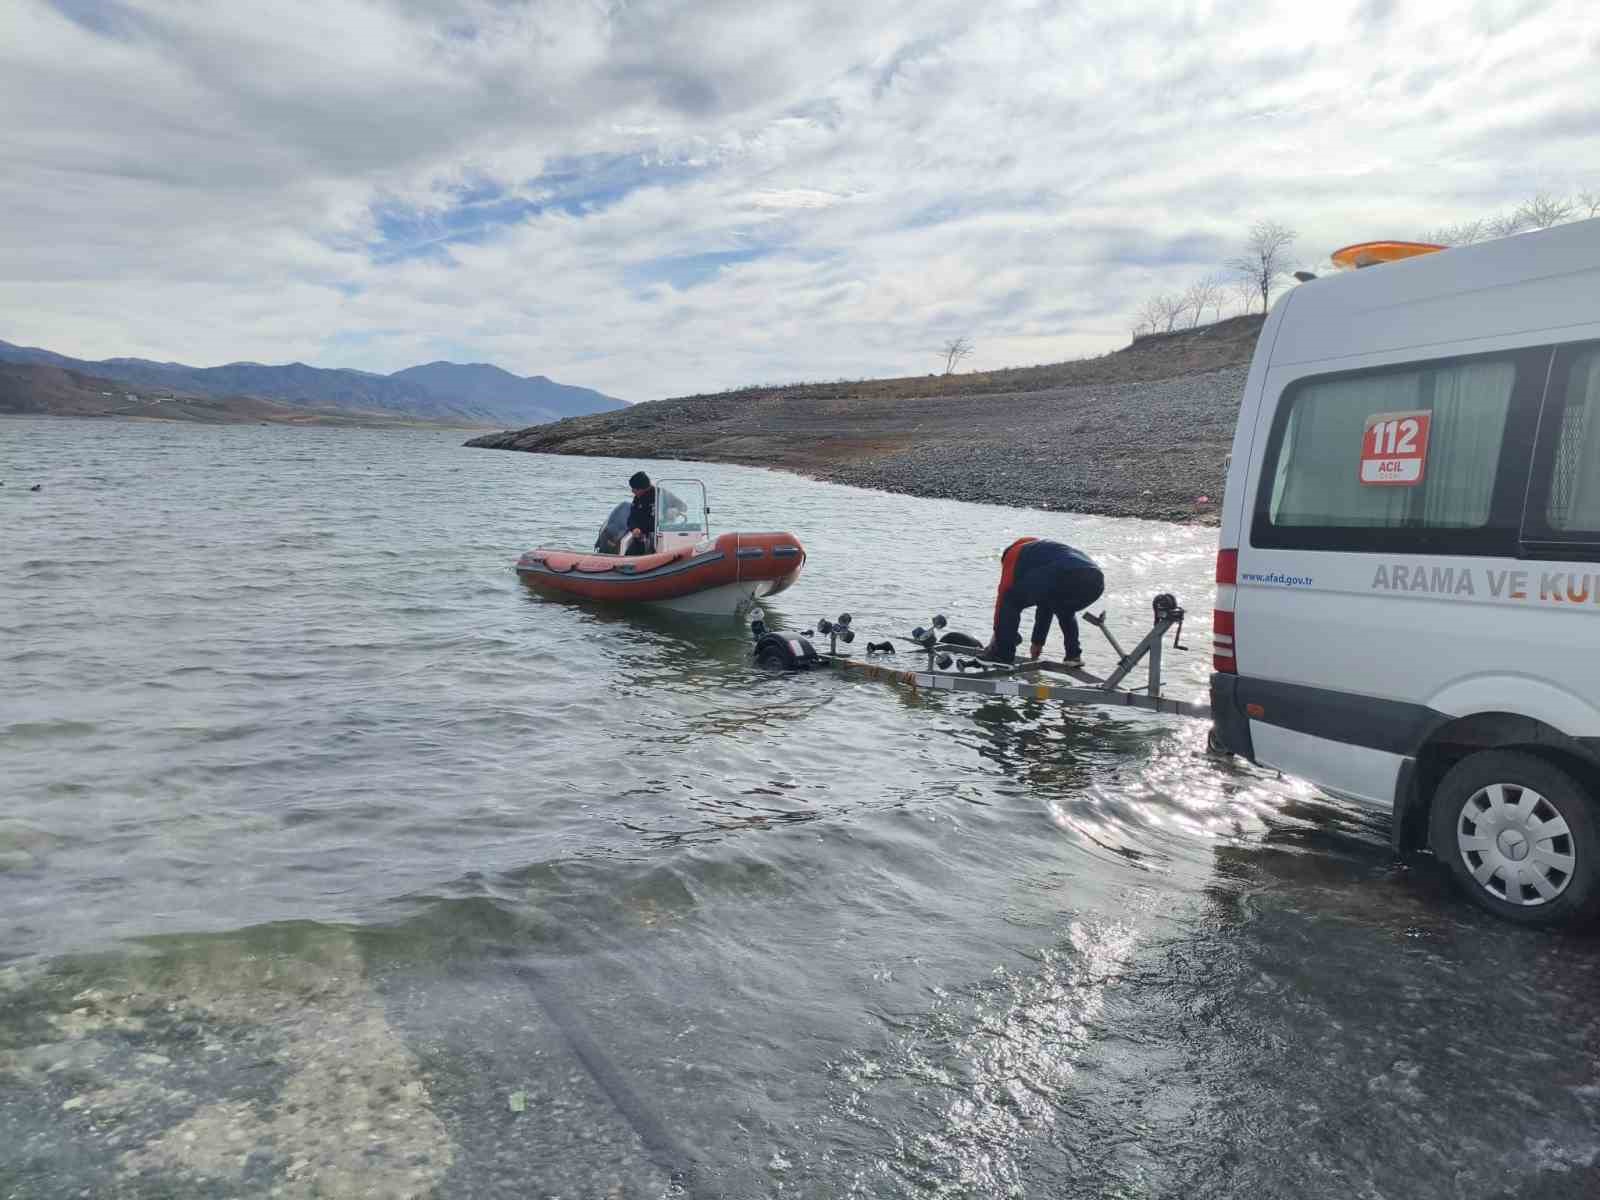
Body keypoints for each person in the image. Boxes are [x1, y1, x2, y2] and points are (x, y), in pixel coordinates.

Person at [982, 538, 1104, 666]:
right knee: (1063, 609)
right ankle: (1073, 656)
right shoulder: (1048, 551)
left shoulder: (1013, 553)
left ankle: (1003, 656)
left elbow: (1002, 598)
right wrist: (1038, 643)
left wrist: (998, 635)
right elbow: (1045, 606)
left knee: (1010, 599)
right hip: (1096, 582)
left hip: (1066, 573)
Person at [625, 470, 656, 555]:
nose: (632, 491)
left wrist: (673, 510)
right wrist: (634, 528)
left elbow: (682, 506)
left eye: (634, 489)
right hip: (640, 534)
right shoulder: (637, 498)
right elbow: (632, 517)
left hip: (657, 532)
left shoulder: (660, 494)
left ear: (642, 488)